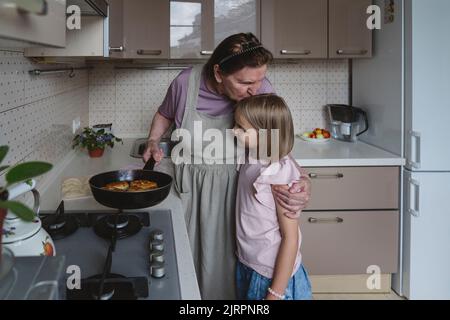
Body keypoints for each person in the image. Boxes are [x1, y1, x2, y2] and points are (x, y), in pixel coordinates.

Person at [143, 32, 311, 300]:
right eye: (245, 82)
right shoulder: (186, 83)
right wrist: (153, 139)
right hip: (189, 192)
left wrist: (302, 178)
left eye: (260, 80)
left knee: (233, 272)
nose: (255, 89)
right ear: (219, 73)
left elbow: (275, 143)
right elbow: (165, 113)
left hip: (238, 196)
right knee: (184, 266)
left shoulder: (260, 87)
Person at [233, 94, 312, 300]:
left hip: (271, 274)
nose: (234, 131)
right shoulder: (252, 155)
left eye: (241, 128)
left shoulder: (277, 173)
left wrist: (275, 293)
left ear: (265, 134)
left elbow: (290, 238)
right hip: (250, 263)